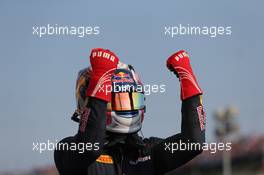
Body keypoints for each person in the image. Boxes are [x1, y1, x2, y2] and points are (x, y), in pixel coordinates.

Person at [54, 48, 206, 175]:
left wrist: (187, 78)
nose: (127, 105)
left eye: (132, 98)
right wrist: (101, 76)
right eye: (118, 99)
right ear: (91, 102)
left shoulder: (147, 153)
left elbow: (193, 143)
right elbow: (89, 148)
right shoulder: (66, 148)